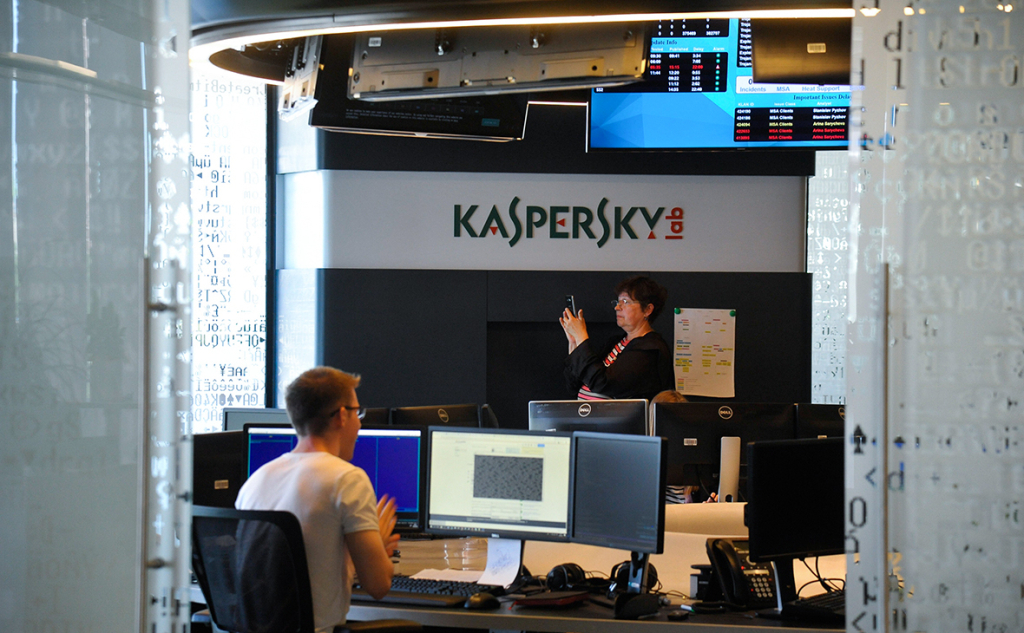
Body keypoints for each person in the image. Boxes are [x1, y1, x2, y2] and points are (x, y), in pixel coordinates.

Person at [235, 367, 398, 633]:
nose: (360, 424)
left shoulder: (255, 482)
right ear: (342, 416)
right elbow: (379, 586)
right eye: (358, 413)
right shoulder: (347, 479)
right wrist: (377, 549)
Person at [560, 276, 674, 402]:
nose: (617, 307)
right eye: (618, 302)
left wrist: (581, 337)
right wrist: (574, 343)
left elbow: (603, 383)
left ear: (647, 310)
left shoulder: (650, 349)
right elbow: (573, 385)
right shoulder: (615, 342)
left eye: (625, 302)